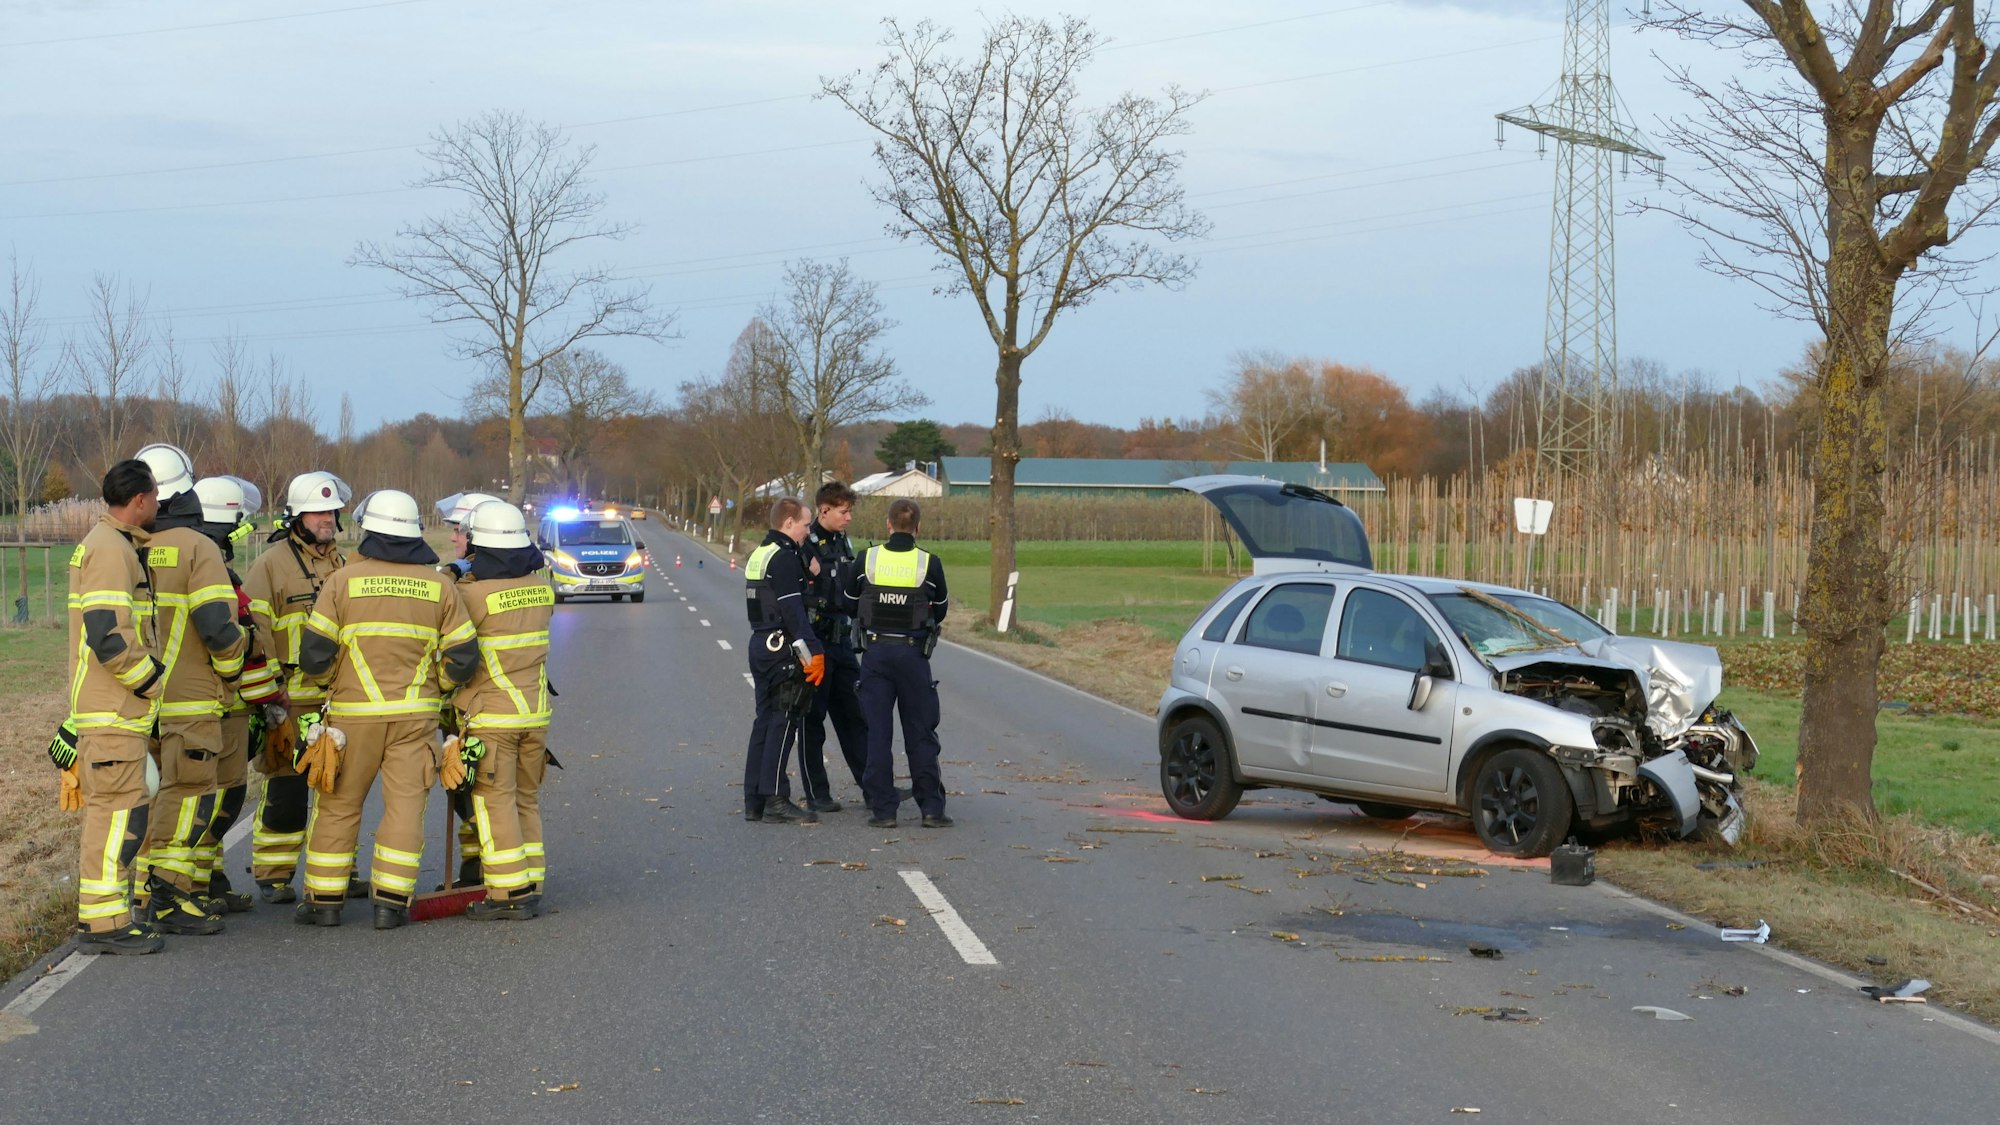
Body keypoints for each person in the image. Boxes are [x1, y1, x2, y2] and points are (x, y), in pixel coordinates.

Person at [291, 489, 479, 930]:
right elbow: (463, 658)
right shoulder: (439, 586)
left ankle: (324, 902)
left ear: (370, 530)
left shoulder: (342, 582)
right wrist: (437, 687)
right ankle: (391, 903)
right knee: (405, 810)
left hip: (351, 719)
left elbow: (314, 656)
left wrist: (332, 683)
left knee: (337, 806)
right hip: (415, 719)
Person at [129, 444, 248, 937]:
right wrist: (233, 671)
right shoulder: (198, 548)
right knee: (186, 796)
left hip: (137, 700)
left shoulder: (124, 546)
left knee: (150, 797)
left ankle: (143, 894)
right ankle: (170, 897)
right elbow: (218, 626)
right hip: (190, 700)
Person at [58, 459, 167, 953]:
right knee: (117, 818)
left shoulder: (113, 544)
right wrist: (151, 683)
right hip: (113, 711)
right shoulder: (110, 549)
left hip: (114, 710)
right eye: (155, 495)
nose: (158, 503)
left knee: (118, 815)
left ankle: (103, 919)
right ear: (139, 500)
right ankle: (104, 925)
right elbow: (108, 635)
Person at [241, 470, 352, 903]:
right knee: (286, 792)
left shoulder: (343, 564)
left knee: (339, 792)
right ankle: (273, 875)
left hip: (337, 700)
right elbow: (256, 630)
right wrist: (271, 694)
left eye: (332, 512)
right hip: (291, 701)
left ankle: (339, 873)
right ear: (296, 517)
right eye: (317, 512)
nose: (327, 519)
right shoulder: (271, 565)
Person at [451, 499, 555, 919]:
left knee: (495, 803)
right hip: (536, 715)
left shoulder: (470, 595)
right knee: (525, 800)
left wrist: (453, 574)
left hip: (492, 718)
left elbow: (452, 643)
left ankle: (508, 893)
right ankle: (532, 882)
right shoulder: (542, 589)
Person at [187, 475, 284, 914]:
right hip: (218, 706)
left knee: (216, 799)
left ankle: (210, 878)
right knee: (214, 801)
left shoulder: (204, 567)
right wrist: (270, 702)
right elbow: (238, 644)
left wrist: (264, 702)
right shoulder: (210, 575)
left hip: (224, 707)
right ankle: (190, 884)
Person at [841, 498, 951, 829]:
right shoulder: (929, 563)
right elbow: (940, 609)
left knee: (877, 733)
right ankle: (931, 809)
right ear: (918, 527)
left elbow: (849, 603)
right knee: (920, 732)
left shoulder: (867, 558)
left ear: (888, 525)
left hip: (876, 654)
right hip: (913, 655)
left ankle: (883, 810)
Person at [742, 498, 825, 823]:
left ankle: (754, 800)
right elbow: (793, 611)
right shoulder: (784, 558)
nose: (808, 531)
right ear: (789, 523)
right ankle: (776, 796)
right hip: (783, 648)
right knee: (784, 718)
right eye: (805, 524)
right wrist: (814, 651)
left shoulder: (761, 553)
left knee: (764, 720)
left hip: (760, 643)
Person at [795, 482, 869, 803]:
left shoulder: (844, 541)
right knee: (813, 721)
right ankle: (817, 794)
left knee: (856, 717)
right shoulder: (805, 543)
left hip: (843, 643)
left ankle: (874, 789)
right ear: (824, 510)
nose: (849, 517)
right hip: (817, 642)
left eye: (850, 511)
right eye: (844, 511)